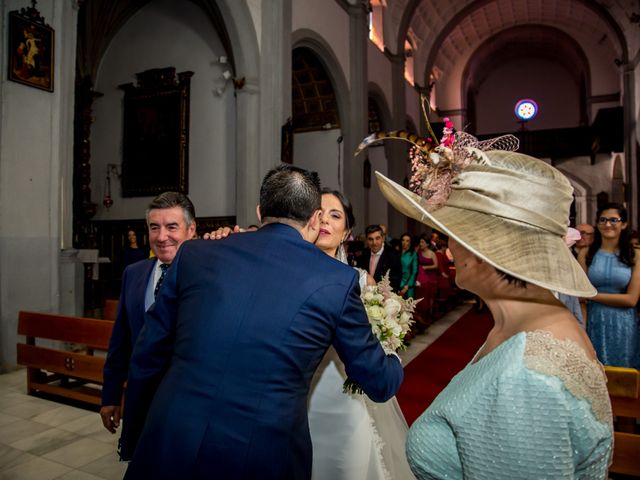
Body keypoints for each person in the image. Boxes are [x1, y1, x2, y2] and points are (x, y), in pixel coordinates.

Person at [118, 164, 403, 480]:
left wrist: (134, 437)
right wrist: (393, 356)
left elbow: (146, 355)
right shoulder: (338, 281)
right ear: (314, 219)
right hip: (260, 453)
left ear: (259, 210)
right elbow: (378, 383)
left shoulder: (194, 255)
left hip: (169, 437)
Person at [376, 147, 613, 478]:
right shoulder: (527, 324)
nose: (449, 248)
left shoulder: (526, 376)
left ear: (483, 245)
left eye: (453, 235)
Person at [309, 188, 414, 480]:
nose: (325, 221)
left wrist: (387, 338)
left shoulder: (360, 279)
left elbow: (380, 336)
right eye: (319, 214)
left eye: (335, 215)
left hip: (346, 391)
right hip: (303, 394)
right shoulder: (293, 276)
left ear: (346, 232)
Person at [100, 192, 196, 434]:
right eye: (155, 227)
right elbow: (120, 340)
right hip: (141, 399)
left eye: (172, 227)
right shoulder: (133, 273)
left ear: (191, 230)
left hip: (188, 403)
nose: (162, 237)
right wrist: (110, 396)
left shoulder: (208, 276)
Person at [578, 203, 640, 368]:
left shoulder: (635, 255)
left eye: (614, 220)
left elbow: (632, 299)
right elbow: (580, 297)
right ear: (597, 224)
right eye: (602, 220)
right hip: (593, 319)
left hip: (624, 323)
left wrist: (592, 295)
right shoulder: (586, 253)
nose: (607, 224)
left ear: (624, 224)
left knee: (624, 375)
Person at [356, 224, 402, 290]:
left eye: (377, 238)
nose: (374, 242)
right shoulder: (363, 254)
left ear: (383, 238)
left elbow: (395, 282)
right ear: (367, 240)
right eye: (370, 239)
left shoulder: (393, 255)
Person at [399, 232, 418, 298]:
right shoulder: (397, 253)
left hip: (408, 284)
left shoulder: (413, 254)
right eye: (403, 240)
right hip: (397, 283)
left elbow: (414, 272)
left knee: (407, 306)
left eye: (407, 241)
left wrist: (407, 286)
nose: (404, 242)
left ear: (410, 242)